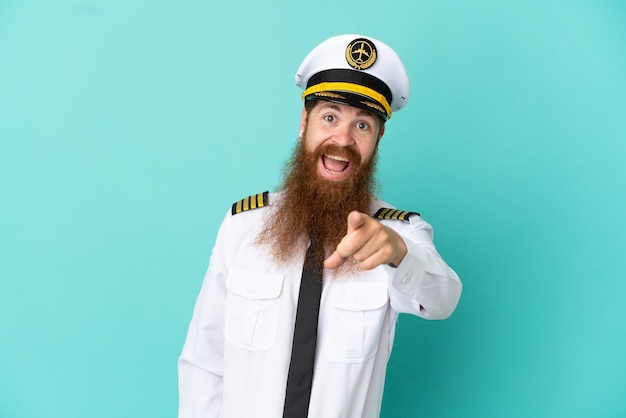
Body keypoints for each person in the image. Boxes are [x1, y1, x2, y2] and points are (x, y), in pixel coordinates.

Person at [178, 34, 462, 418]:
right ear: (304, 122)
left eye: (362, 126)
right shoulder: (241, 226)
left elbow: (443, 299)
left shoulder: (397, 234)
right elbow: (204, 362)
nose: (342, 139)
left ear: (378, 139)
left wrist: (399, 253)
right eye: (330, 117)